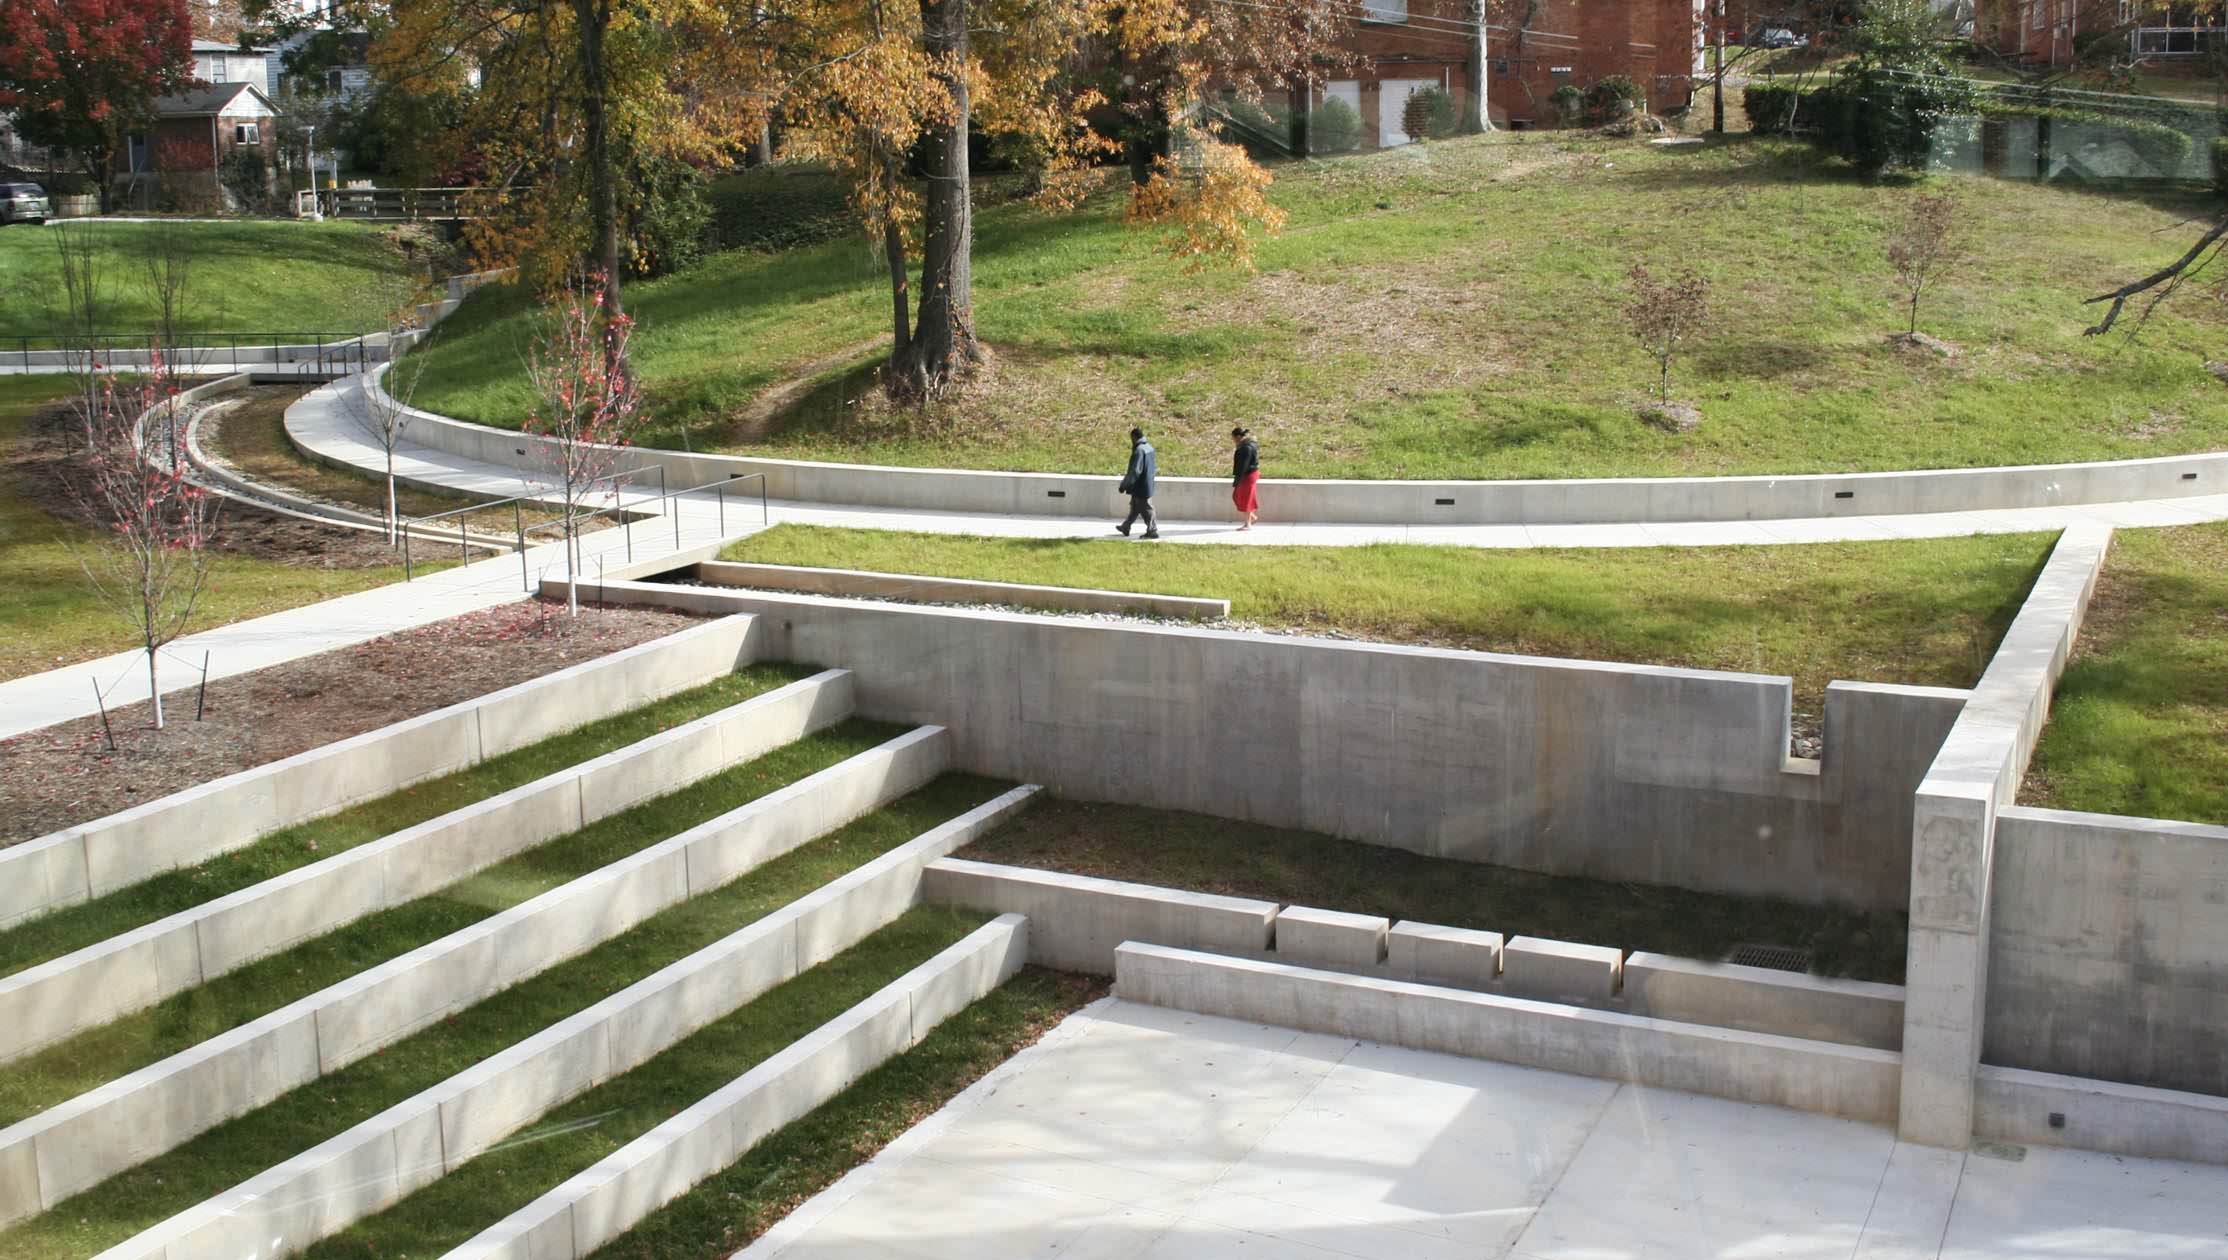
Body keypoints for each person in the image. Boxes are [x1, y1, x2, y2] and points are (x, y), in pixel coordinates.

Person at [1116, 426, 1160, 540]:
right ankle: (1126, 526)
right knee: (1135, 507)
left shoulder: (1139, 451)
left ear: (1134, 437)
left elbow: (1135, 471)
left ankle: (1152, 530)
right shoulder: (1149, 447)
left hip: (1141, 486)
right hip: (1147, 483)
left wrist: (1124, 485)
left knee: (1147, 509)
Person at [1230, 426, 1261, 530]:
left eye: (1233, 438)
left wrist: (1237, 479)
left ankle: (1248, 524)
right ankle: (1252, 517)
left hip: (1247, 475)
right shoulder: (1249, 445)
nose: (1233, 440)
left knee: (1245, 498)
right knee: (1238, 497)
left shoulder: (1245, 448)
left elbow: (1243, 465)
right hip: (1249, 474)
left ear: (1238, 436)